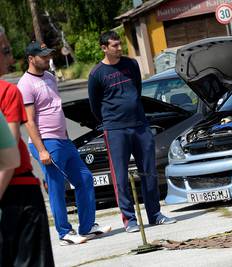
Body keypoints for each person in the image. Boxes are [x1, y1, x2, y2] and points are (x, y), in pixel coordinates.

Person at [17, 41, 111, 245]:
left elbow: (56, 110)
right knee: (57, 187)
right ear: (31, 59)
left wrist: (67, 136)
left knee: (84, 179)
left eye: (48, 54)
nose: (47, 58)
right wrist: (41, 149)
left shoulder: (50, 77)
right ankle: (64, 233)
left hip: (63, 140)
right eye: (42, 56)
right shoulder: (25, 85)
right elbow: (29, 121)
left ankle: (87, 227)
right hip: (46, 142)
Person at [88, 31, 176, 233]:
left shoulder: (131, 65)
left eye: (120, 44)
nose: (119, 48)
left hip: (140, 125)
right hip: (115, 129)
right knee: (120, 176)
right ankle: (130, 220)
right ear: (104, 48)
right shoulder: (97, 74)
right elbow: (94, 105)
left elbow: (136, 89)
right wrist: (110, 121)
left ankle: (154, 214)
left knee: (149, 171)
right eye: (114, 46)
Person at [0, 27, 54, 266]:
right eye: (6, 51)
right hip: (18, 198)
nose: (11, 59)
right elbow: (8, 160)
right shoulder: (8, 91)